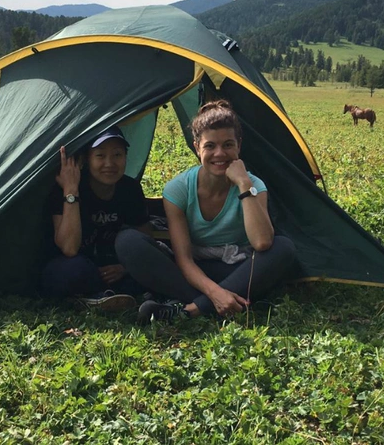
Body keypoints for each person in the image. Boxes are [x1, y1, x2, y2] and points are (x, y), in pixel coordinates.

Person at [115, 100, 296, 323]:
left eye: (228, 145)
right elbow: (184, 259)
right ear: (196, 147)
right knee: (128, 241)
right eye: (210, 146)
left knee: (283, 248)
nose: (219, 154)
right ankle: (222, 302)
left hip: (236, 267)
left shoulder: (253, 185)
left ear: (239, 145)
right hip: (194, 269)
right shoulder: (178, 189)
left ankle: (188, 310)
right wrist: (216, 293)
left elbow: (261, 243)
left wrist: (243, 184)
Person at [41, 126, 151, 310]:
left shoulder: (130, 189)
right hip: (76, 265)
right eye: (100, 156)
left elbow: (145, 240)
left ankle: (100, 297)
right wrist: (71, 192)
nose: (110, 163)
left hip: (113, 267)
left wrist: (125, 267)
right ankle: (98, 295)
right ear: (86, 160)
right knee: (73, 271)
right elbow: (69, 248)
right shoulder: (67, 190)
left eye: (117, 155)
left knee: (147, 269)